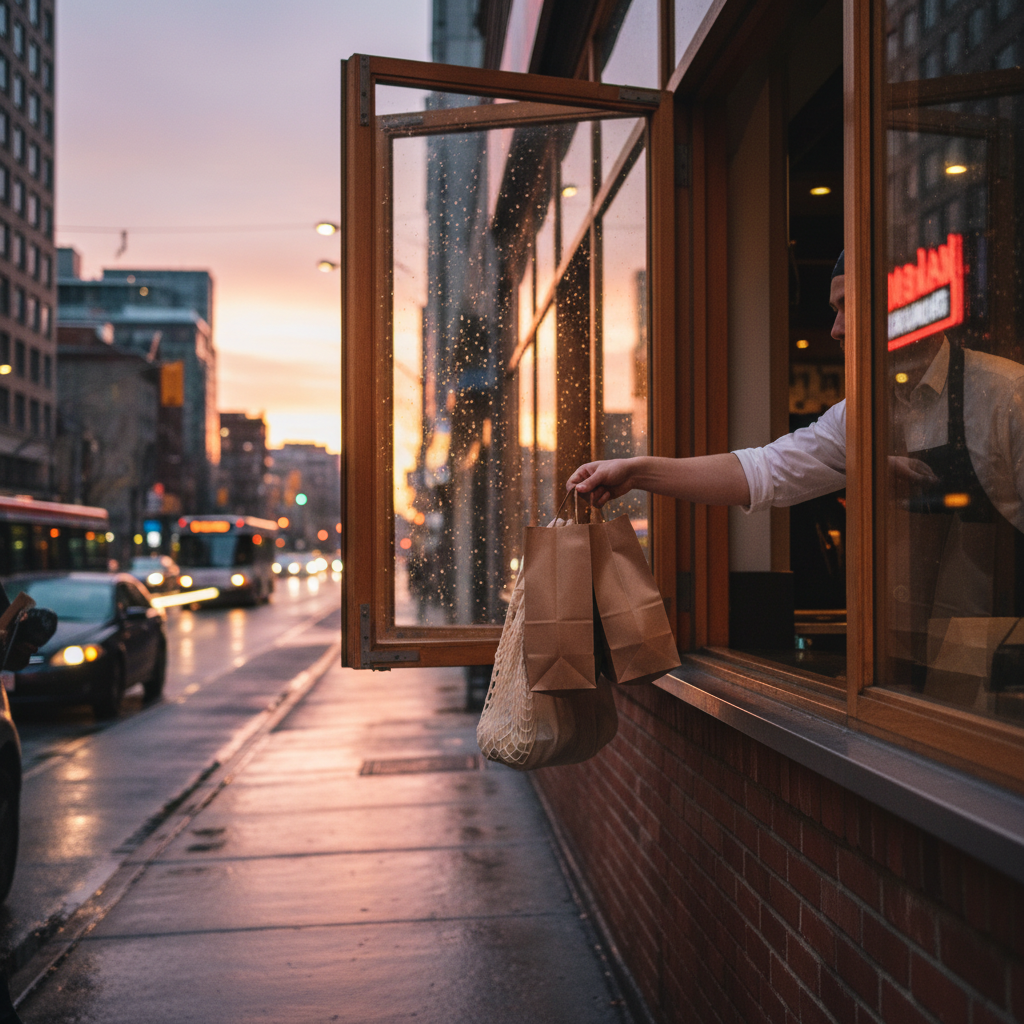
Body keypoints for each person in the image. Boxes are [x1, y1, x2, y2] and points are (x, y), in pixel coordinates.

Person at [567, 252, 1024, 706]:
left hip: (1004, 669)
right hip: (903, 672)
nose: (837, 329)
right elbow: (762, 470)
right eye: (834, 310)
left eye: (850, 307)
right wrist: (637, 471)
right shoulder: (857, 417)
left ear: (908, 308)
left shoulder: (1005, 396)